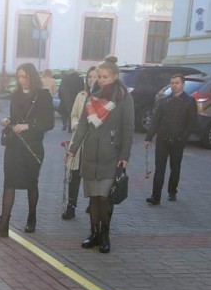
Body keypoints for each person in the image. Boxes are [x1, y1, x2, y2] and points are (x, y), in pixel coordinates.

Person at [66, 56, 134, 254]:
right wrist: (72, 149)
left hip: (111, 156)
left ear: (114, 76)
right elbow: (82, 128)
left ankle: (105, 235)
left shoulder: (123, 98)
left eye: (105, 76)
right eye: (99, 77)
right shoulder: (91, 97)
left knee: (104, 197)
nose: (101, 80)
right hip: (90, 156)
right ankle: (93, 233)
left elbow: (128, 128)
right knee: (93, 198)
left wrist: (125, 155)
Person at [0, 63, 54, 237]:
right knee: (9, 183)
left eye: (25, 76)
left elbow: (49, 123)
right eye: (19, 77)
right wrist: (8, 120)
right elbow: (15, 117)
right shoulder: (15, 94)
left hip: (32, 146)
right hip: (14, 145)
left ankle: (32, 218)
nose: (22, 80)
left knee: (31, 183)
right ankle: (4, 224)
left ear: (32, 76)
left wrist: (28, 126)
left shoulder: (43, 95)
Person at [144, 74, 197, 205]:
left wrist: (183, 137)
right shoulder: (163, 101)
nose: (174, 85)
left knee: (175, 167)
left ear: (183, 84)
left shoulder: (189, 101)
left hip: (178, 141)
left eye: (177, 83)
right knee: (159, 169)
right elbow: (156, 121)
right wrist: (148, 138)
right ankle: (155, 196)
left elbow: (191, 122)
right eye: (172, 83)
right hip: (162, 140)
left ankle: (172, 191)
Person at [62, 66, 97, 220]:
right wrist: (75, 124)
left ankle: (92, 203)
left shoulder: (103, 98)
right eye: (89, 77)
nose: (92, 80)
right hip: (79, 141)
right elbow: (74, 114)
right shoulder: (81, 95)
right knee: (74, 174)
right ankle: (71, 205)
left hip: (94, 143)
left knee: (92, 175)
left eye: (95, 76)